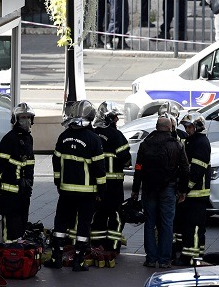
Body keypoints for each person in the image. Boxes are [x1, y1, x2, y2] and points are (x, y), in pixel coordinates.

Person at [46, 100, 106, 272]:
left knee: (61, 223)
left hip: (65, 191)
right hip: (87, 193)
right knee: (83, 225)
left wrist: (58, 182)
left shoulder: (63, 137)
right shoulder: (94, 140)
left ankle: (56, 257)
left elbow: (56, 162)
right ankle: (79, 261)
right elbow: (99, 169)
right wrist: (102, 191)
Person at [131, 115, 190, 268]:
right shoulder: (176, 145)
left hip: (149, 189)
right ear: (170, 128)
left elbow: (138, 168)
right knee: (167, 224)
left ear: (156, 127)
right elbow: (185, 169)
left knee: (149, 223)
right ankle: (164, 260)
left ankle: (150, 259)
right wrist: (183, 191)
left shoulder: (145, 144)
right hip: (168, 189)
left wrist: (135, 190)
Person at [90, 101, 131, 255]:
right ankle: (113, 246)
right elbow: (126, 159)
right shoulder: (117, 136)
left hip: (95, 184)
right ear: (108, 118)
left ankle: (96, 244)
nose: (117, 121)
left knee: (98, 215)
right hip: (114, 185)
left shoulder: (92, 134)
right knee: (115, 215)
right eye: (114, 117)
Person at [0, 103, 35, 242]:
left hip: (24, 190)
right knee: (11, 224)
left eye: (28, 117)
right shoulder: (9, 139)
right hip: (10, 192)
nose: (26, 121)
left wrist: (28, 184)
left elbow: (29, 165)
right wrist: (3, 182)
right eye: (22, 117)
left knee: (22, 221)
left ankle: (19, 251)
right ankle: (9, 251)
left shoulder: (28, 138)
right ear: (15, 119)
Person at [173, 113, 211, 266]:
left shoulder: (201, 143)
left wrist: (184, 190)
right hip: (190, 195)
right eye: (185, 127)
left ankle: (192, 258)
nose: (186, 129)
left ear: (198, 127)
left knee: (194, 228)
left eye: (189, 126)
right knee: (186, 227)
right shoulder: (191, 141)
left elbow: (196, 171)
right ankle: (186, 254)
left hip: (197, 194)